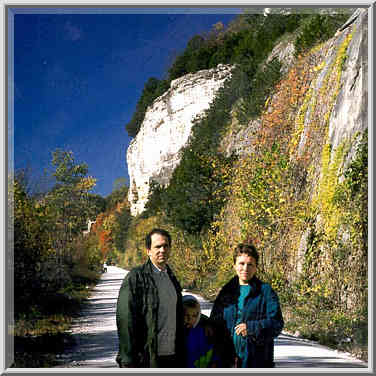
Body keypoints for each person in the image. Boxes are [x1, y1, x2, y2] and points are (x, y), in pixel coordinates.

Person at [116, 228, 185, 368]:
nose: (162, 250)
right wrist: (128, 358)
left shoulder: (172, 278)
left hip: (172, 356)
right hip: (148, 358)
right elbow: (125, 319)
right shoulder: (136, 278)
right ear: (148, 250)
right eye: (157, 246)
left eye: (166, 246)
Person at [210, 243, 284, 368]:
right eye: (241, 263)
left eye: (250, 264)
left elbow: (276, 323)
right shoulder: (226, 291)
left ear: (256, 268)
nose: (245, 268)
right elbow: (215, 321)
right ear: (234, 266)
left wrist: (251, 328)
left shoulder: (265, 291)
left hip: (256, 361)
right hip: (227, 361)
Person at [182, 295, 219, 368]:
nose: (190, 319)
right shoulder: (175, 332)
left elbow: (213, 353)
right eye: (186, 315)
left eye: (194, 316)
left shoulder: (204, 332)